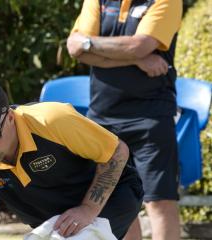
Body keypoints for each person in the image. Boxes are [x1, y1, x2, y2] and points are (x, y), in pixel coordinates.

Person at [0, 82, 143, 240]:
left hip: (113, 197)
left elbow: (117, 151)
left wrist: (88, 209)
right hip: (56, 222)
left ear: (10, 118)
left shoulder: (53, 119)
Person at [67, 0, 182, 240]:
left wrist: (90, 43)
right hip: (102, 119)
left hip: (151, 116)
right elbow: (75, 48)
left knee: (159, 201)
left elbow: (140, 45)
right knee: (118, 203)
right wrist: (135, 58)